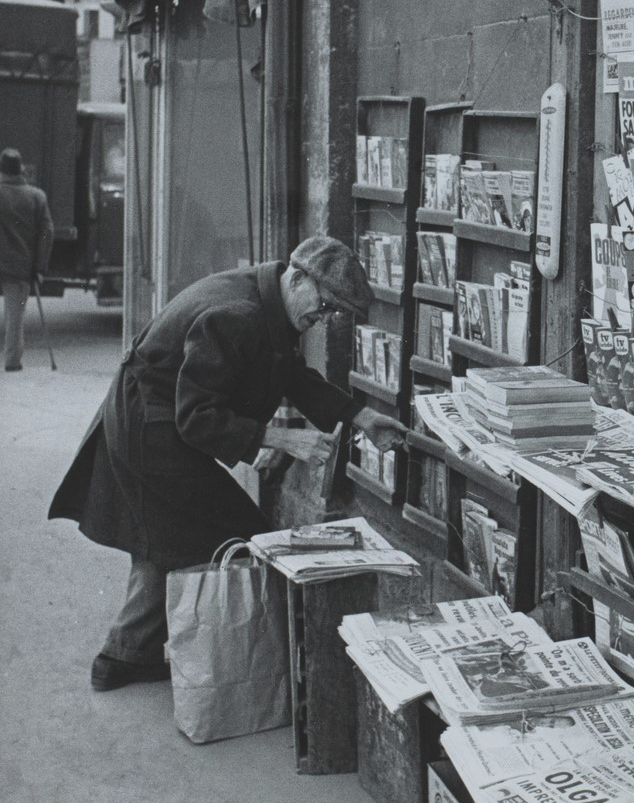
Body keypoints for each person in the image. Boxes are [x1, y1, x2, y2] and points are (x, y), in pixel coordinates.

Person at [48, 236, 408, 692]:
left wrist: (360, 416)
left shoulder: (266, 298)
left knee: (161, 533)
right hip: (150, 428)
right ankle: (251, 664)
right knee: (239, 533)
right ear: (298, 279)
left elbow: (289, 373)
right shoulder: (239, 315)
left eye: (336, 313)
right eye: (326, 305)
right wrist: (280, 437)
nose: (326, 319)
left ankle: (123, 656)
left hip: (152, 417)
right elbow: (196, 419)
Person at [0, 148, 54, 372]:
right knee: (15, 317)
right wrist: (39, 267)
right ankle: (12, 362)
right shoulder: (36, 196)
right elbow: (46, 233)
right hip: (20, 268)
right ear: (21, 169)